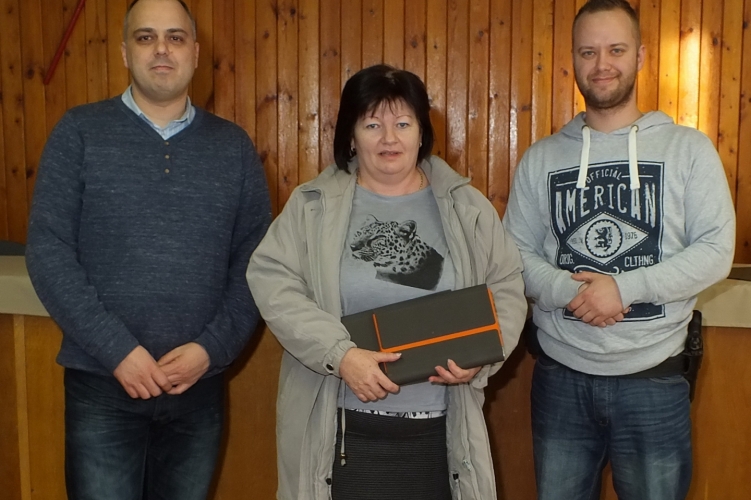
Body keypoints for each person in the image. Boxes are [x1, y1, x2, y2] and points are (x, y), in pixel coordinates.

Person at [25, 0, 271, 498]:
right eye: (146, 37)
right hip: (103, 384)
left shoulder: (233, 148)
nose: (161, 48)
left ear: (195, 52)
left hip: (198, 389)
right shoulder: (79, 132)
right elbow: (48, 250)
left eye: (175, 37)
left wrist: (211, 349)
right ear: (124, 52)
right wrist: (118, 351)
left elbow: (257, 262)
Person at [246, 64, 527, 500]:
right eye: (372, 124)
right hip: (341, 430)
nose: (389, 138)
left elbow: (506, 284)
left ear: (422, 132)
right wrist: (340, 355)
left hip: (442, 434)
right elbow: (271, 280)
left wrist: (482, 355)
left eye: (403, 124)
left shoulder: (466, 206)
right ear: (351, 136)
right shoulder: (311, 206)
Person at [502, 1, 736, 499]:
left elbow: (717, 249)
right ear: (573, 59)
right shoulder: (541, 158)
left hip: (655, 382)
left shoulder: (688, 149)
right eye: (588, 52)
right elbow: (514, 254)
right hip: (561, 380)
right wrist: (572, 292)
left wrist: (624, 288)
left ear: (641, 56)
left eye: (616, 50)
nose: (601, 64)